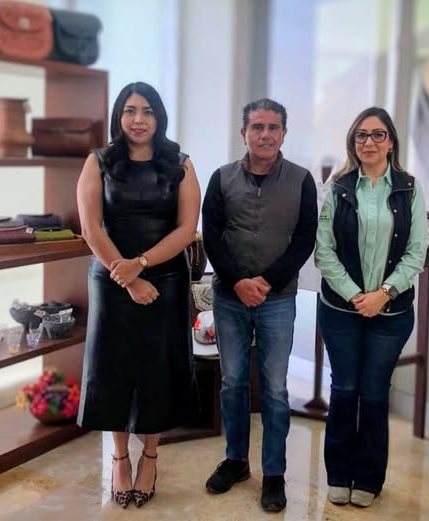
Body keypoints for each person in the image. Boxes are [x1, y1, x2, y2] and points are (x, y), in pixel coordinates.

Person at [76, 81, 201, 509]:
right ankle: (119, 458)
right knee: (114, 368)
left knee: (156, 370)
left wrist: (142, 265)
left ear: (158, 117)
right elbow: (91, 228)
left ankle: (150, 456)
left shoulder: (180, 163)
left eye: (147, 111)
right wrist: (127, 277)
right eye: (130, 110)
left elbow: (186, 230)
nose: (139, 119)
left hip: (165, 279)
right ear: (119, 116)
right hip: (111, 280)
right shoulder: (99, 161)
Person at [202, 98, 317, 513]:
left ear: (284, 133)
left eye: (272, 127)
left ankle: (273, 473)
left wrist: (265, 283)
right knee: (233, 382)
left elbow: (304, 240)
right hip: (229, 298)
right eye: (257, 127)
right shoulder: (221, 178)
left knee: (275, 388)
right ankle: (236, 461)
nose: (265, 134)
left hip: (277, 300)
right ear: (244, 133)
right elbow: (212, 236)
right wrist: (238, 282)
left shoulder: (302, 180)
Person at [315, 107, 429, 508]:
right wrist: (354, 295)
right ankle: (338, 474)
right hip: (340, 309)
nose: (369, 142)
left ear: (391, 142)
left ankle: (367, 478)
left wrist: (384, 293)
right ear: (353, 143)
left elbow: (416, 252)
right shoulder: (338, 187)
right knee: (345, 389)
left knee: (375, 393)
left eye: (378, 134)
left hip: (391, 313)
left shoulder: (409, 189)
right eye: (361, 135)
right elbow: (324, 251)